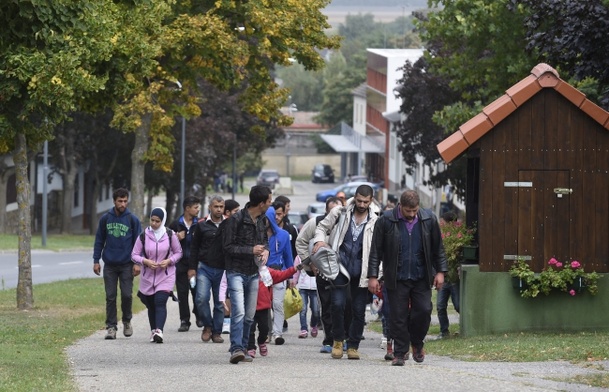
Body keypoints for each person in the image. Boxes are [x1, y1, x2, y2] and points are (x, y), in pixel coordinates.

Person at [368, 190, 447, 366]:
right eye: (408, 211)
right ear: (400, 206)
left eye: (415, 211)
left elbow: (438, 249)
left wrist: (441, 272)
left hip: (421, 276)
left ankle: (417, 343)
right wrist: (373, 276)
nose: (412, 215)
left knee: (424, 310)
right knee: (397, 316)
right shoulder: (386, 221)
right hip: (396, 276)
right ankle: (400, 352)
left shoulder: (429, 219)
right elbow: (375, 251)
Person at [312, 184, 380, 360]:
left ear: (370, 201)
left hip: (362, 270)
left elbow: (380, 248)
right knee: (337, 304)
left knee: (358, 310)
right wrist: (320, 241)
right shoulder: (340, 213)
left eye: (365, 202)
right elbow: (321, 227)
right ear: (354, 198)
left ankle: (353, 345)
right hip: (339, 268)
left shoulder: (377, 220)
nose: (362, 204)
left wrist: (377, 273)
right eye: (359, 200)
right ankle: (337, 340)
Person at [224, 185, 272, 364]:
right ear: (261, 203)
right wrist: (250, 250)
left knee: (250, 314)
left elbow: (265, 242)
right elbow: (227, 247)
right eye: (269, 201)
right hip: (235, 271)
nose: (270, 203)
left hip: (253, 272)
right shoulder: (235, 219)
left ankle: (243, 348)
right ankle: (235, 348)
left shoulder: (262, 220)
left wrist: (265, 251)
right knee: (239, 312)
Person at [93, 188, 142, 340]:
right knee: (111, 296)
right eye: (120, 201)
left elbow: (138, 243)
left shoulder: (132, 219)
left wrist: (137, 263)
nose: (123, 204)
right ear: (114, 201)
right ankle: (111, 327)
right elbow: (99, 240)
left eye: (125, 201)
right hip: (110, 265)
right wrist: (96, 260)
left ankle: (127, 321)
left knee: (127, 295)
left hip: (127, 264)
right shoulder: (106, 218)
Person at [295, 196, 342, 353]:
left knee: (344, 306)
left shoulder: (347, 223)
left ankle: (344, 338)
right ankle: (329, 339)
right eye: (331, 211)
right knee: (327, 306)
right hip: (322, 273)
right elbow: (300, 242)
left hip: (343, 273)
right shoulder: (315, 223)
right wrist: (309, 263)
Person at [131, 207, 183, 343]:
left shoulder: (170, 235)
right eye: (152, 220)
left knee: (160, 301)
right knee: (151, 304)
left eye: (157, 221)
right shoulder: (143, 236)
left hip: (166, 275)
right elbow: (134, 255)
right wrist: (145, 261)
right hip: (148, 276)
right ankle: (153, 330)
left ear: (163, 221)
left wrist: (169, 261)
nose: (154, 223)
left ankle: (159, 331)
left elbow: (178, 253)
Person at [248, 251, 304, 358]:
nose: (259, 259)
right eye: (256, 257)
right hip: (250, 307)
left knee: (264, 329)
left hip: (264, 307)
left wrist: (294, 269)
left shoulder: (267, 272)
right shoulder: (247, 273)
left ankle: (261, 341)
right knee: (250, 329)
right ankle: (250, 347)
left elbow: (281, 275)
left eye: (261, 257)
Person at [188, 195, 226, 344]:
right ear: (210, 207)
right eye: (216, 206)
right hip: (204, 268)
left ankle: (217, 332)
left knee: (219, 302)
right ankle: (207, 325)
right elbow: (194, 247)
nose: (218, 209)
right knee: (201, 298)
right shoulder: (201, 225)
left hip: (222, 270)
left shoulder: (228, 224)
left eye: (221, 207)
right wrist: (191, 268)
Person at [168, 195, 201, 332]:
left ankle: (199, 315)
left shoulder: (199, 224)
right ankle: (184, 320)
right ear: (187, 208)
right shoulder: (176, 224)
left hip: (195, 264)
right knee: (182, 293)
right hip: (180, 264)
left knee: (197, 292)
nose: (198, 210)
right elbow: (166, 242)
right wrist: (175, 238)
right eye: (195, 207)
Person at [265, 202, 294, 345]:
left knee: (277, 304)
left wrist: (291, 276)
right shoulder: (257, 235)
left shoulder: (283, 235)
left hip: (279, 273)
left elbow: (289, 256)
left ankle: (277, 333)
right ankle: (265, 332)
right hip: (261, 274)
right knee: (264, 306)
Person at [437, 211, 460, 339]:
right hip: (444, 278)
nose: (441, 224)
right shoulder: (440, 238)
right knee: (440, 306)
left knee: (458, 305)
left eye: (443, 222)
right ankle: (444, 331)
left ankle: (465, 326)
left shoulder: (455, 240)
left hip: (454, 278)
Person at [292, 255, 319, 339]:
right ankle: (303, 329)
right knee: (303, 309)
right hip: (303, 286)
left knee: (316, 310)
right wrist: (293, 282)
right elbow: (296, 271)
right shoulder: (299, 257)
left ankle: (313, 325)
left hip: (315, 287)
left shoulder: (318, 255)